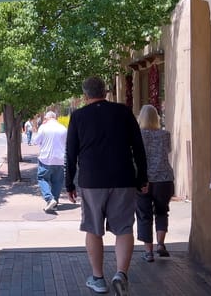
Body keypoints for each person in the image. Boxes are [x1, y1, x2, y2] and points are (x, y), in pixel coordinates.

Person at [65, 76, 148, 295]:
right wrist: (143, 178)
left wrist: (69, 183)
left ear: (85, 95)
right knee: (124, 228)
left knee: (93, 229)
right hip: (123, 178)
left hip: (92, 181)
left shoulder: (78, 116)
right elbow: (138, 147)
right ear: (105, 92)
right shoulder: (124, 112)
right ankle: (121, 274)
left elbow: (71, 153)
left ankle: (98, 279)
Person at [135, 105, 175, 263]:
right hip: (164, 178)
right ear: (156, 118)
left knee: (144, 215)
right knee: (162, 211)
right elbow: (168, 151)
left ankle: (148, 252)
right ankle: (160, 244)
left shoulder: (138, 135)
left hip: (144, 180)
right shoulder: (165, 134)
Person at [32, 111, 67, 212]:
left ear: (46, 118)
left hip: (46, 158)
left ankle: (49, 198)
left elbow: (36, 141)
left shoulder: (44, 127)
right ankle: (54, 202)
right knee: (57, 182)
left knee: (42, 178)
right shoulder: (63, 128)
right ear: (55, 118)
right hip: (60, 159)